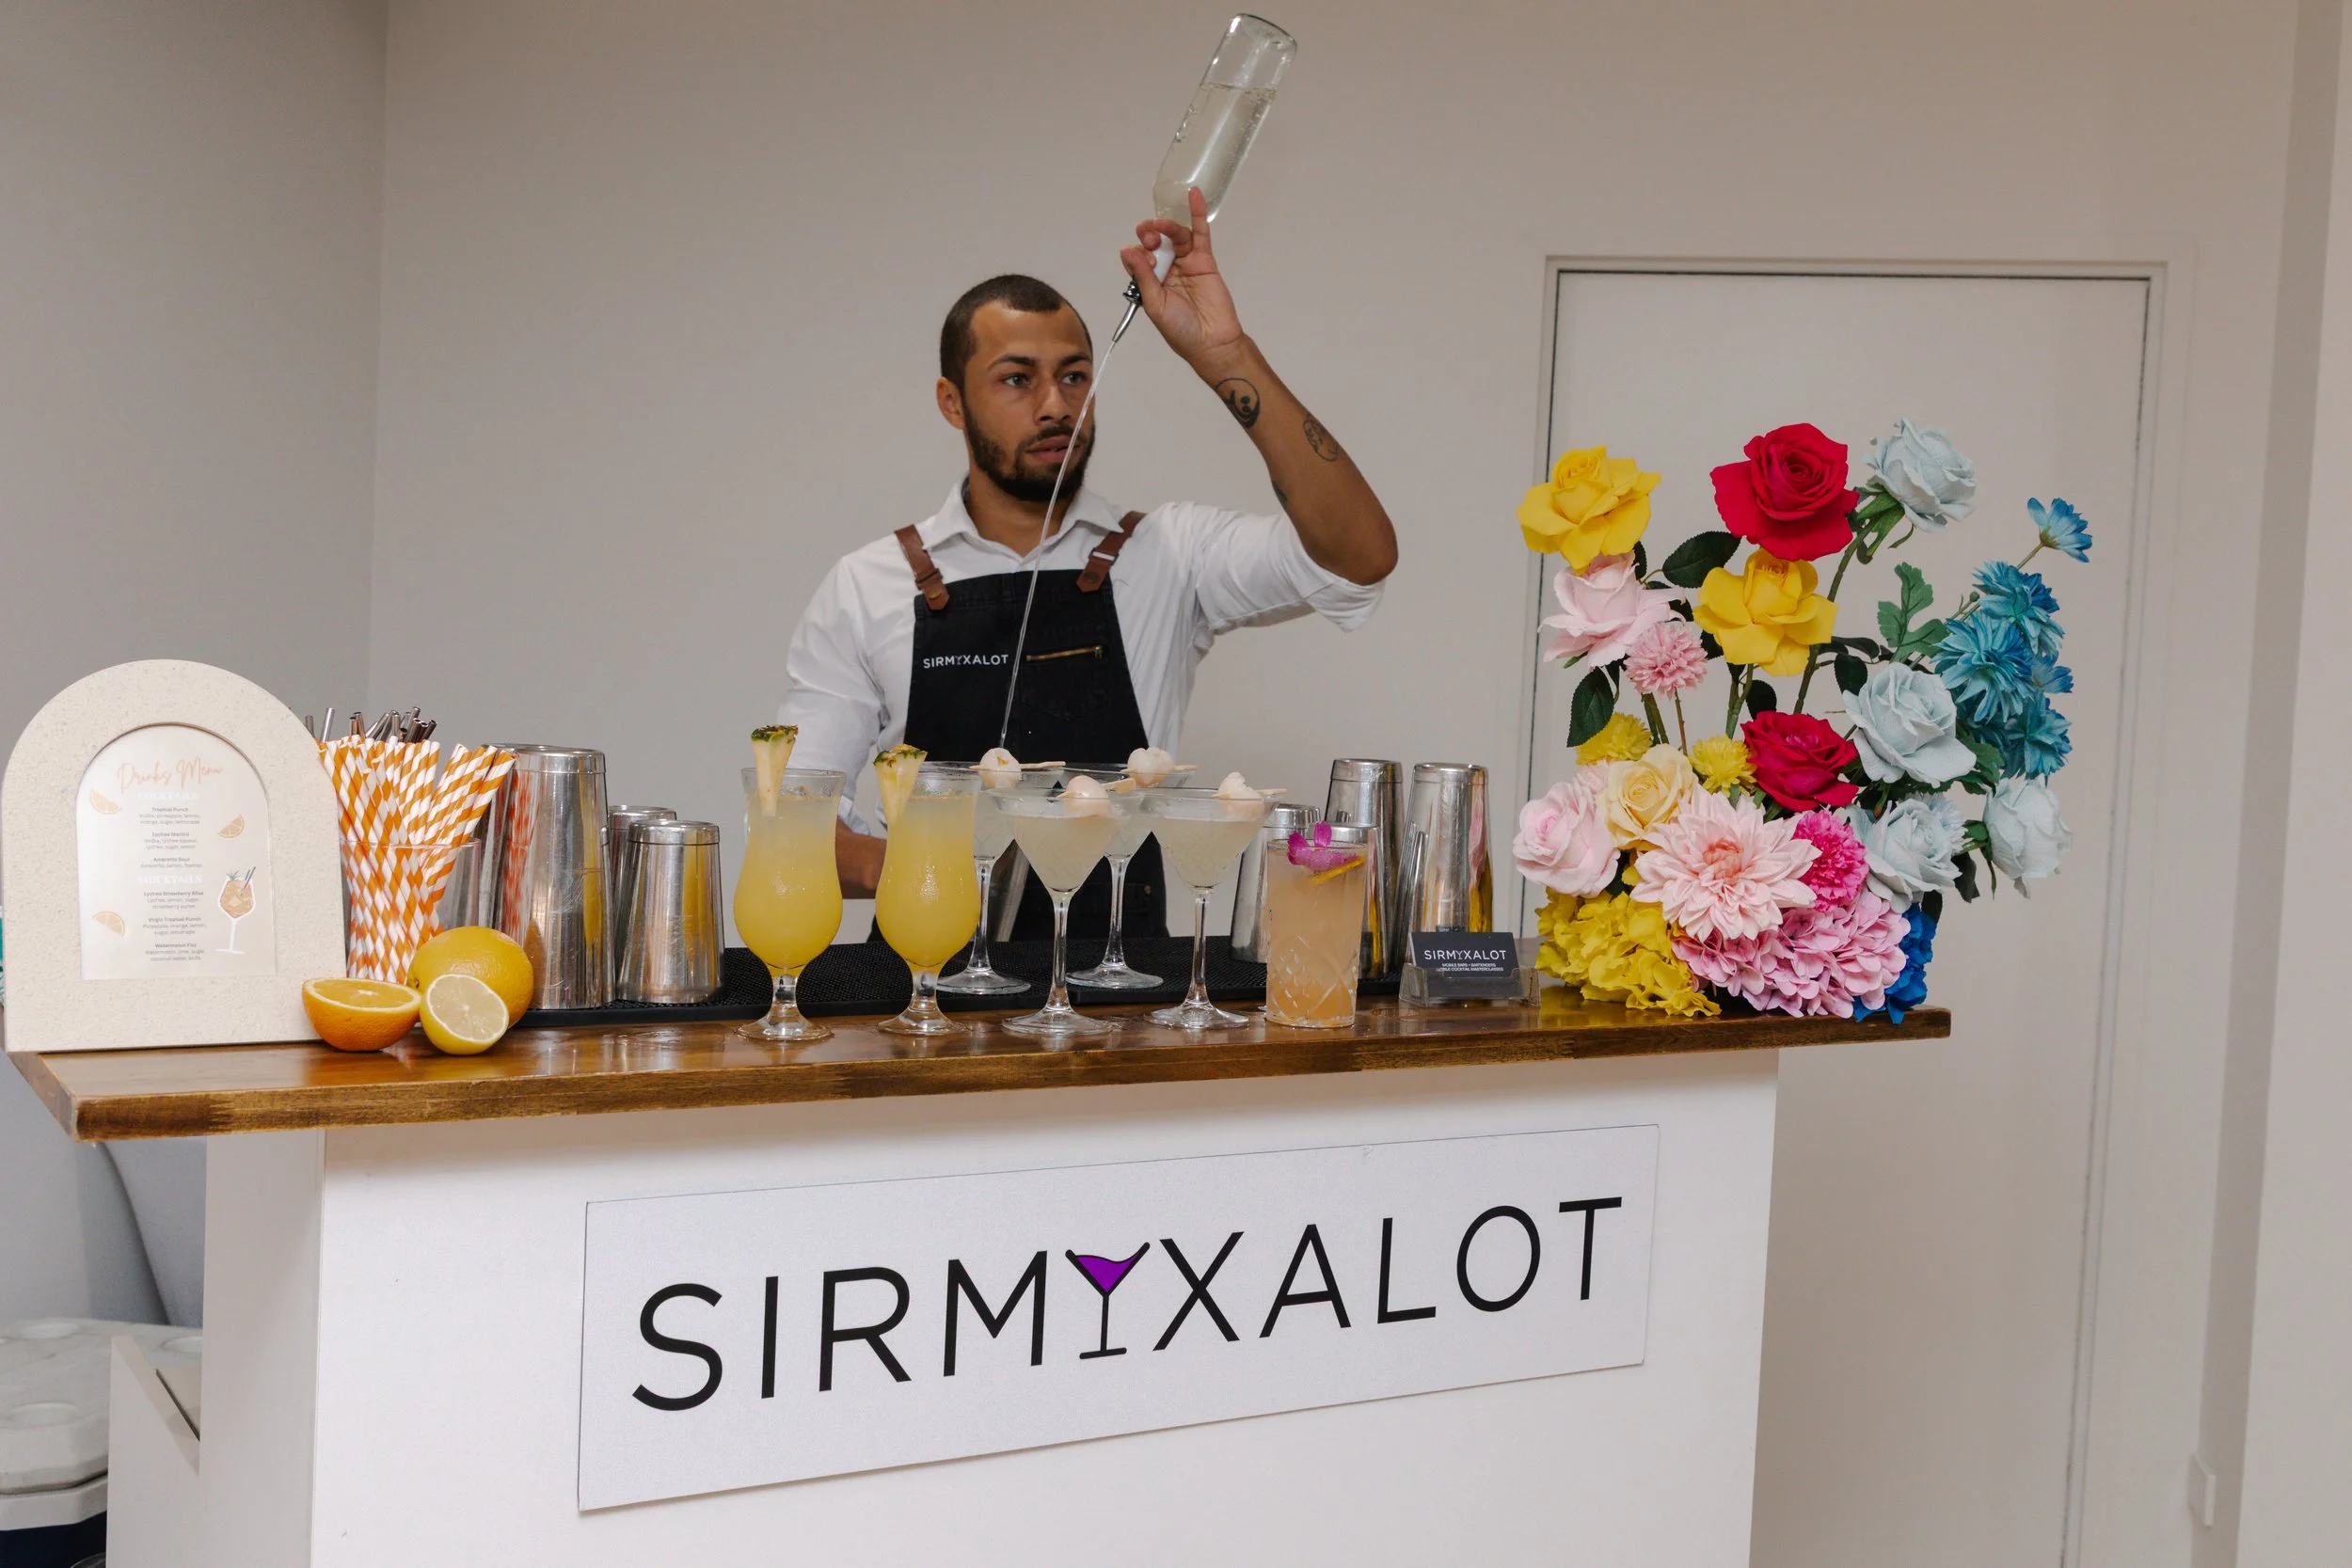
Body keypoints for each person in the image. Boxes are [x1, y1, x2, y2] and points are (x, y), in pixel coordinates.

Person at [778, 189, 1398, 939]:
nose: (1054, 406)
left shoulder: (1169, 553)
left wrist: (1223, 352)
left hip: (1124, 997)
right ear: (952, 402)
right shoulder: (866, 584)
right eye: (1017, 379)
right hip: (927, 999)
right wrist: (923, 868)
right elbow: (793, 818)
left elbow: (1361, 555)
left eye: (1074, 376)